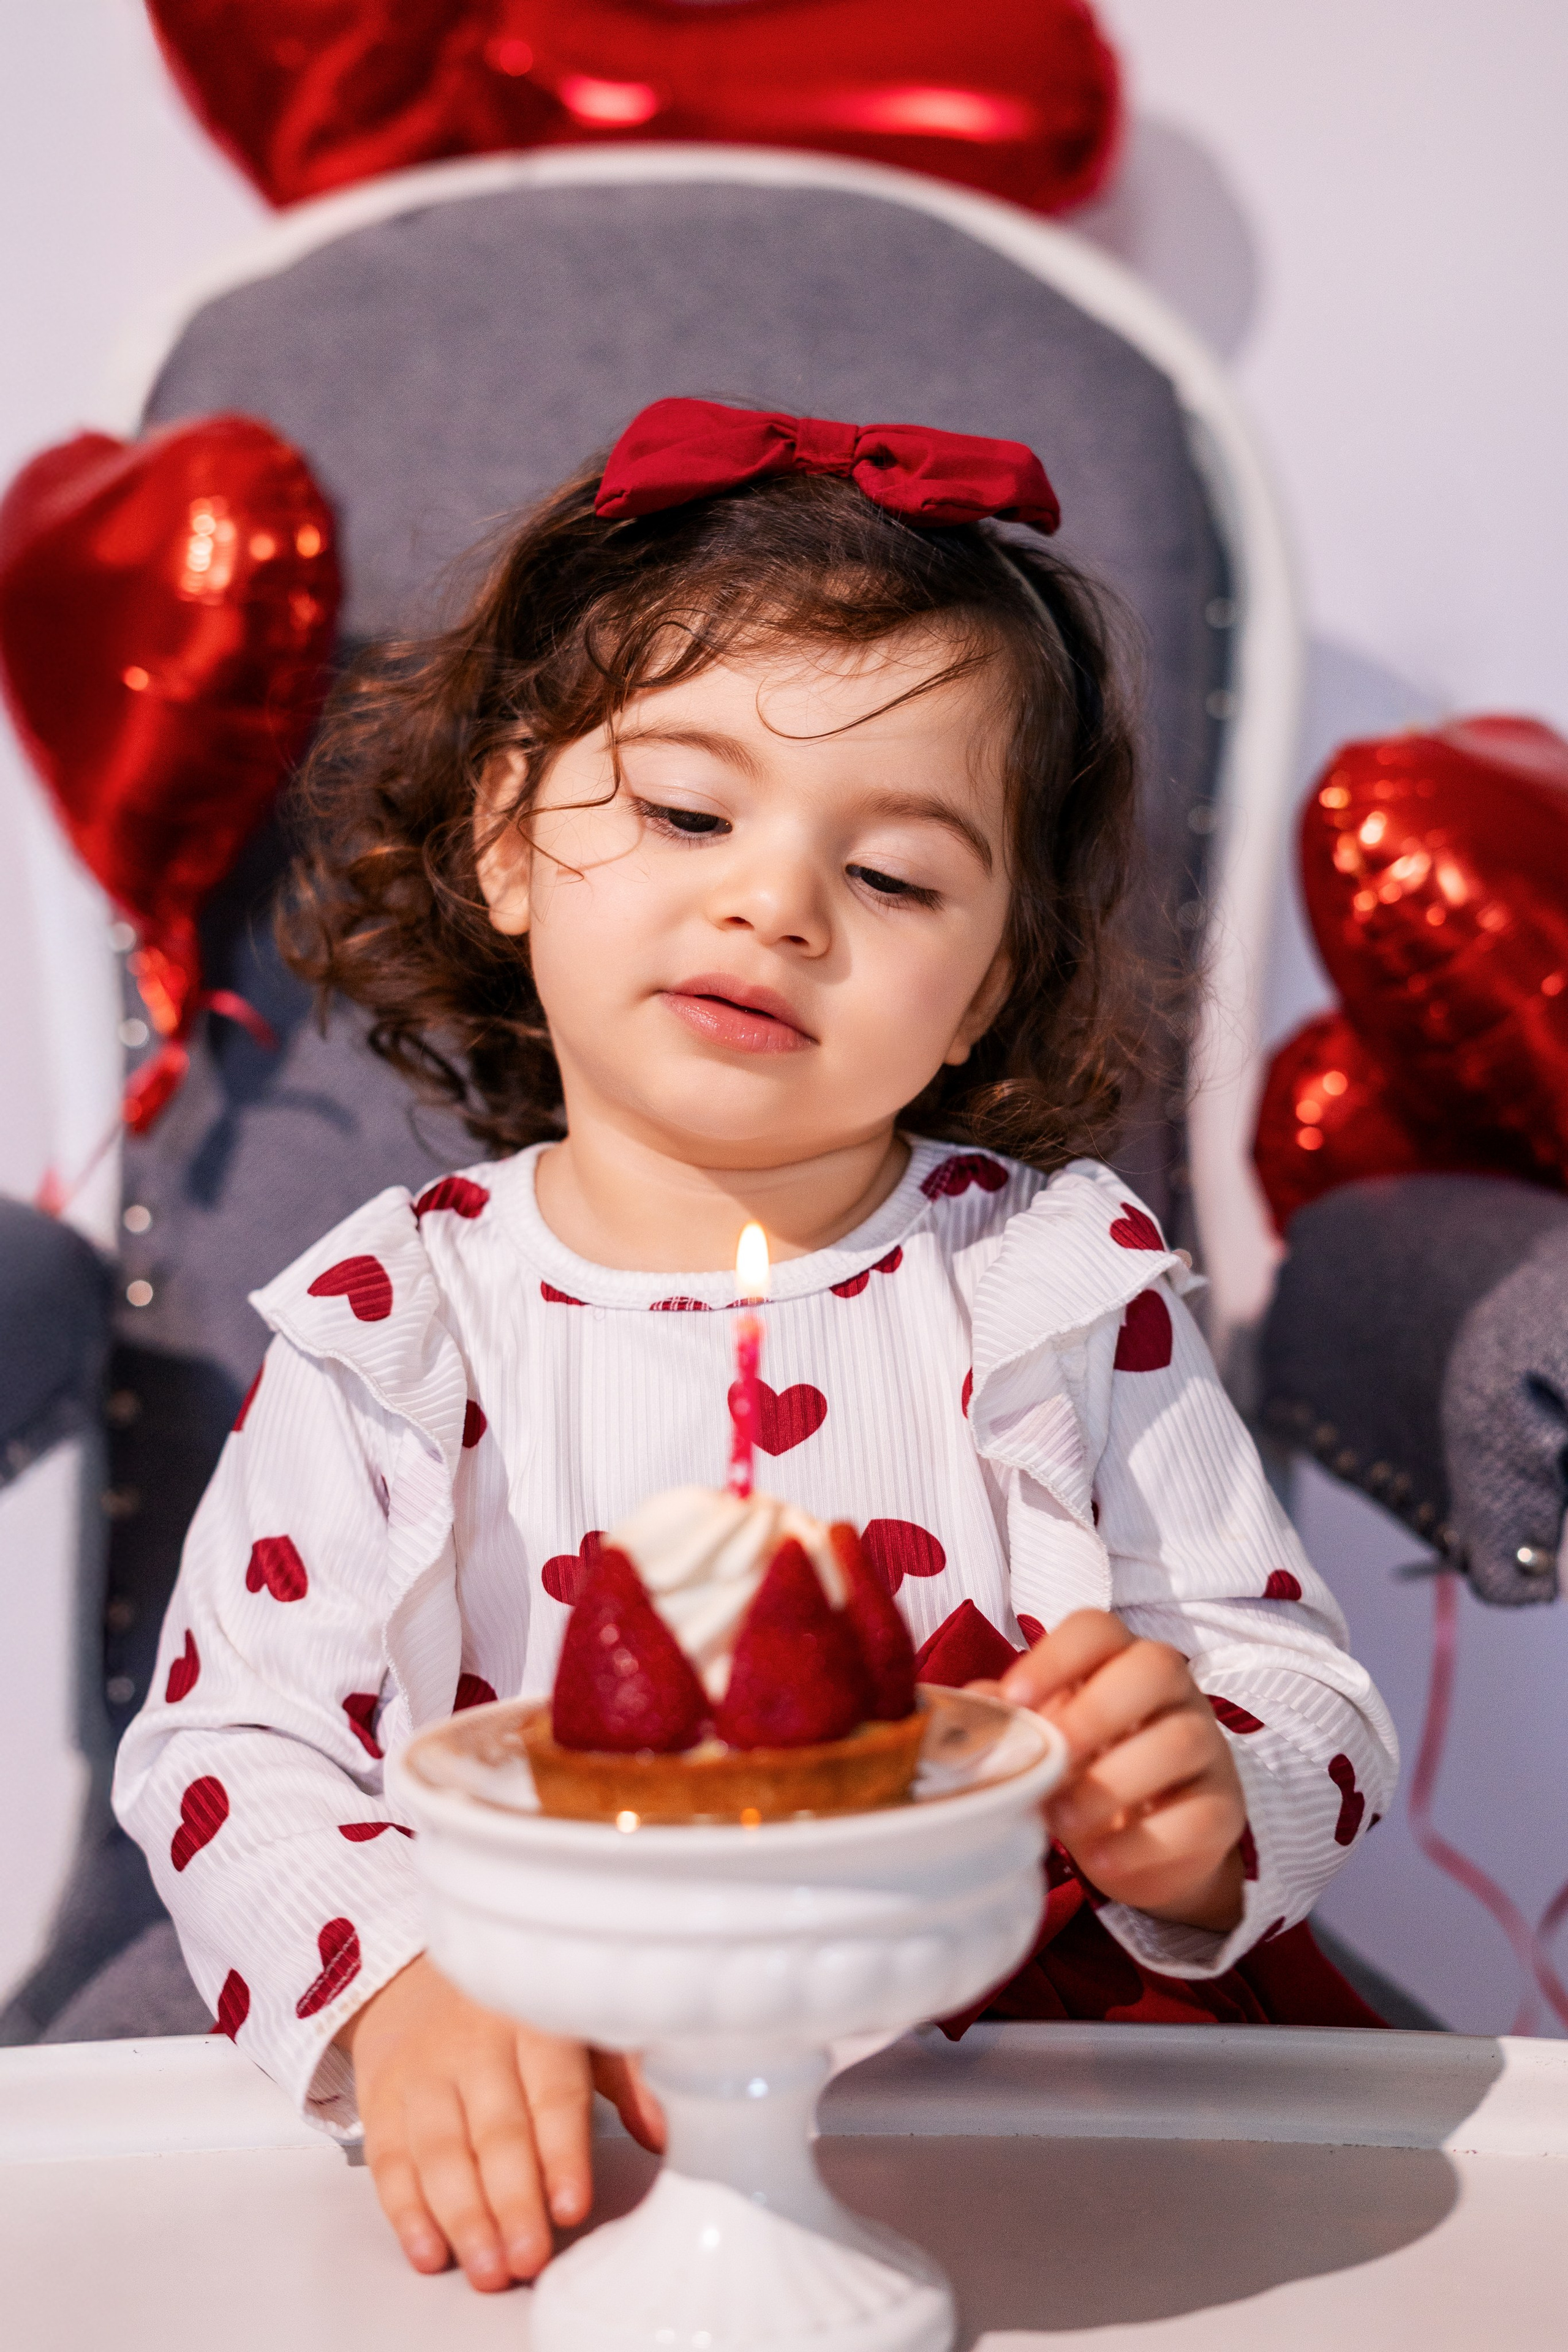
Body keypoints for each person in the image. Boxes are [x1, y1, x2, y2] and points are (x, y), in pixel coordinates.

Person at [115, 398, 1397, 2293]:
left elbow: (1290, 1671)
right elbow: (233, 1742)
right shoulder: (401, 1324)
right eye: (688, 810)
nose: (774, 902)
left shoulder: (1053, 1282)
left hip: (1020, 2083)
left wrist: (1202, 1796)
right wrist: (395, 1988)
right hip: (569, 2087)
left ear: (987, 985)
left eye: (892, 879)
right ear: (508, 845)